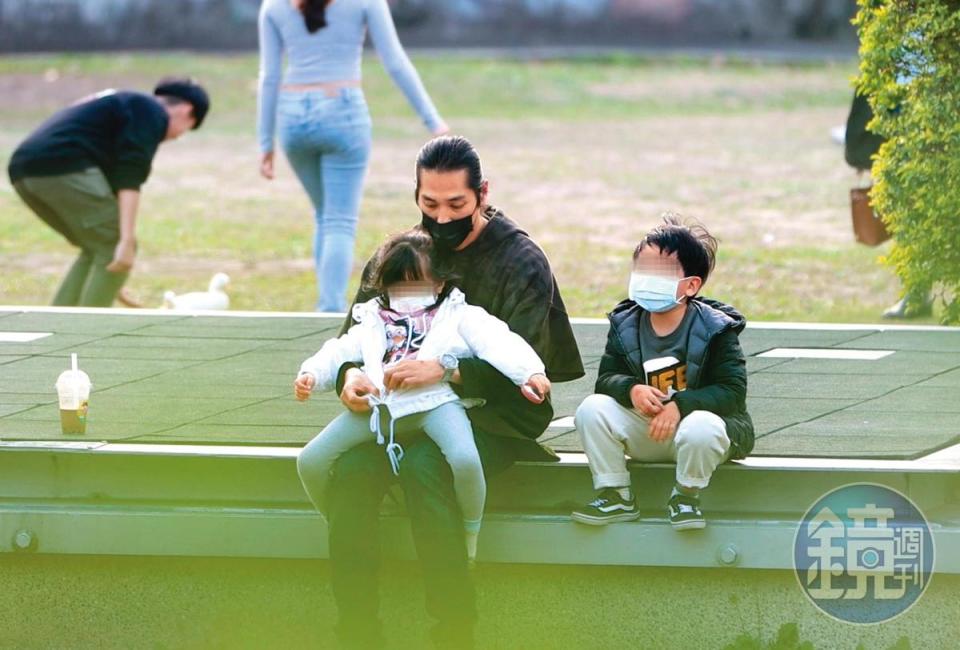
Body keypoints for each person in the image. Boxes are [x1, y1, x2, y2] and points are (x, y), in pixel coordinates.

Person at [312, 135, 584, 649]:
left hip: (492, 415)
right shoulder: (402, 252)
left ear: (483, 193)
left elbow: (525, 367)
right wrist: (349, 376)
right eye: (428, 204)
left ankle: (453, 631)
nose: (441, 217)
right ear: (415, 195)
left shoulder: (520, 259)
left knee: (424, 468)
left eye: (456, 204)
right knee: (347, 474)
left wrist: (445, 371)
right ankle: (356, 631)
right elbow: (354, 337)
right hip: (398, 410)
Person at [295, 229, 551, 562]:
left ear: (439, 283)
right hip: (383, 411)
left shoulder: (459, 315)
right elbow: (340, 349)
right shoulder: (373, 319)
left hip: (435, 405)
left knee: (465, 459)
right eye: (396, 285)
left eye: (415, 283)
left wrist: (530, 372)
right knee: (310, 460)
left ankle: (470, 530)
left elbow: (499, 342)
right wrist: (311, 374)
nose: (405, 293)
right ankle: (335, 522)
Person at [257, 0, 449, 312]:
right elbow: (395, 62)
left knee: (325, 216)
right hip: (342, 112)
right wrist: (433, 121)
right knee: (338, 221)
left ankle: (325, 304)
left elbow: (269, 76)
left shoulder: (273, 6)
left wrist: (265, 141)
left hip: (292, 117)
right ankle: (329, 311)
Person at [571, 214, 753, 530]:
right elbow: (606, 379)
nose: (647, 278)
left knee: (702, 427)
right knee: (591, 409)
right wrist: (631, 390)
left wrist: (680, 405)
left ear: (691, 285)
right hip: (648, 430)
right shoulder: (625, 323)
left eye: (660, 272)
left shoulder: (716, 330)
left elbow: (732, 391)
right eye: (643, 269)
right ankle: (616, 493)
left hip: (696, 436)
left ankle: (685, 496)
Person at [7, 78, 209, 307]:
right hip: (63, 166)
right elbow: (129, 174)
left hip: (23, 170)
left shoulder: (120, 102)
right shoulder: (151, 111)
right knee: (113, 243)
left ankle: (59, 327)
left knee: (97, 246)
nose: (175, 137)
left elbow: (112, 181)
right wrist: (126, 240)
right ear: (187, 111)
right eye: (184, 131)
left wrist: (109, 279)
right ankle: (88, 331)